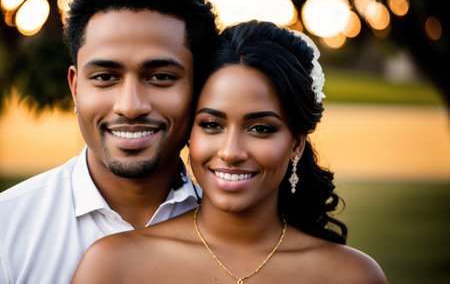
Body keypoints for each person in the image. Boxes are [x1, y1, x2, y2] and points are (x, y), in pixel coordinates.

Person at [72, 20, 387, 283]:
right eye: (211, 124)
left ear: (295, 144)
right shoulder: (114, 265)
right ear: (189, 133)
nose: (231, 151)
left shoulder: (352, 275)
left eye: (261, 128)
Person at [0, 0, 219, 284]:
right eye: (104, 77)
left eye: (160, 77)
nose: (130, 106)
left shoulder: (241, 230)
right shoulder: (8, 226)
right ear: (75, 88)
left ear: (198, 88)